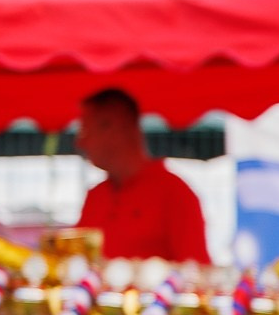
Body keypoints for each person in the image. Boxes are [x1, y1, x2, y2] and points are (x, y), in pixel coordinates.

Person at [74, 88, 211, 264]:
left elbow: (196, 273)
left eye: (85, 130)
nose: (80, 142)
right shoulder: (95, 197)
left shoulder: (174, 194)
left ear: (114, 127)